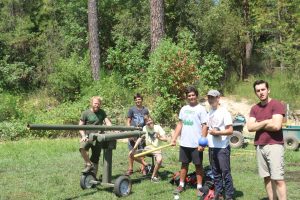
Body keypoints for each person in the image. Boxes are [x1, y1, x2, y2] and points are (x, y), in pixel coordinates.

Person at [247, 80, 287, 200]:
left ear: (268, 90)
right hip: (260, 146)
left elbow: (276, 126)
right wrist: (266, 121)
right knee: (267, 177)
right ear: (255, 93)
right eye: (258, 91)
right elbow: (249, 127)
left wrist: (258, 123)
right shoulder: (254, 108)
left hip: (274, 146)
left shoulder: (276, 105)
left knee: (278, 179)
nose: (261, 92)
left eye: (263, 89)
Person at [170, 85, 208, 194]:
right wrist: (173, 138)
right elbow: (180, 124)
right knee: (184, 164)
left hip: (196, 144)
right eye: (189, 95)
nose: (191, 97)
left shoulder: (201, 109)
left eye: (193, 95)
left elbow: (205, 126)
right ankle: (181, 185)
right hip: (184, 143)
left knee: (198, 165)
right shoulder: (184, 109)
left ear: (196, 95)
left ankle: (199, 187)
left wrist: (202, 143)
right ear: (187, 97)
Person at [204, 90, 234, 200]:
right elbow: (207, 129)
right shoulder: (209, 113)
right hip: (212, 147)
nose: (210, 100)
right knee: (215, 173)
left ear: (218, 98)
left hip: (222, 148)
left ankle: (229, 196)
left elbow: (230, 130)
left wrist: (218, 132)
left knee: (225, 172)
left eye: (213, 97)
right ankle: (219, 194)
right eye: (209, 98)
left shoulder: (224, 112)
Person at [79, 96, 112, 176]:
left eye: (98, 103)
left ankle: (93, 177)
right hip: (88, 137)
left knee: (96, 158)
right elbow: (80, 126)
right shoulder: (85, 113)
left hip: (98, 138)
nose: (96, 105)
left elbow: (108, 122)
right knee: (82, 148)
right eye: (95, 103)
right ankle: (88, 164)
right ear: (91, 104)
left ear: (100, 104)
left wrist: (109, 126)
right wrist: (83, 136)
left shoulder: (102, 112)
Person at [130, 116, 168, 182]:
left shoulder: (158, 127)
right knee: (131, 154)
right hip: (147, 148)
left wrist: (159, 137)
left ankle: (153, 176)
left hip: (157, 149)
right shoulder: (145, 128)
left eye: (150, 120)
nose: (149, 122)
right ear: (145, 123)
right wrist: (134, 148)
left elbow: (165, 139)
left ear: (153, 120)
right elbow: (140, 138)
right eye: (147, 121)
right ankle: (147, 165)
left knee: (159, 160)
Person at [125, 93, 150, 176]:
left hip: (142, 133)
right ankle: (130, 169)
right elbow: (128, 121)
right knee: (132, 151)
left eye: (139, 99)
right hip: (133, 132)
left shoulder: (145, 110)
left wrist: (148, 130)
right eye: (136, 100)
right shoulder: (131, 109)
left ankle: (143, 168)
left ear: (142, 100)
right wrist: (129, 132)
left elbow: (147, 121)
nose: (137, 101)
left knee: (142, 151)